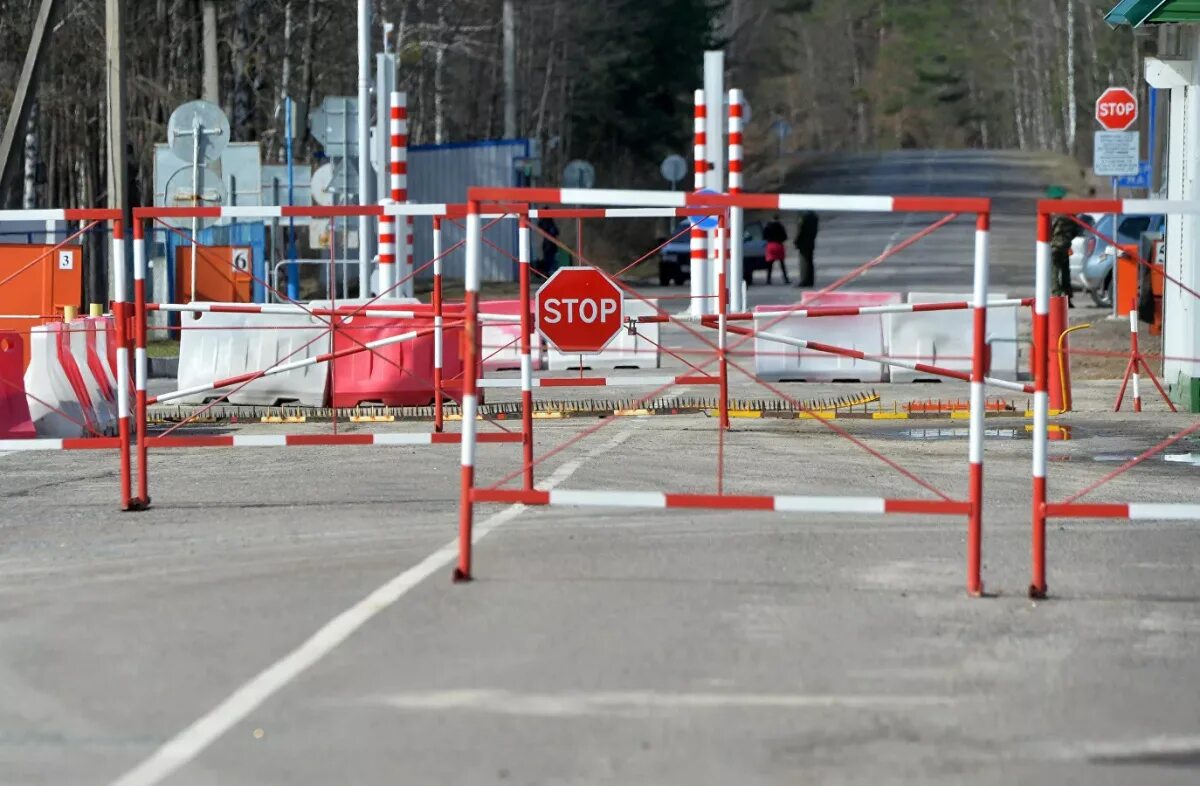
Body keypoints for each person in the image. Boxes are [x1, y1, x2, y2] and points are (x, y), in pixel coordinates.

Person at [1046, 186, 1079, 307]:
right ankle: (1068, 299)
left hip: (1054, 247)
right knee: (1065, 273)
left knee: (1054, 273)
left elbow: (1046, 231)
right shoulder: (1068, 213)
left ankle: (1056, 297)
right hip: (1066, 247)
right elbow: (1076, 230)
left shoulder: (1052, 214)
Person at [762, 214, 790, 284]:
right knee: (782, 263)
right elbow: (785, 237)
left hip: (770, 245)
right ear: (778, 219)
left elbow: (764, 236)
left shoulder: (767, 226)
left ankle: (768, 280)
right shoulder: (780, 226)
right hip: (779, 245)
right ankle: (785, 279)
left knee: (769, 264)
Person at [794, 210, 819, 288]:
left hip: (803, 242)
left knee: (804, 263)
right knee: (810, 262)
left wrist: (796, 240)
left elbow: (800, 230)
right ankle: (810, 280)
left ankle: (804, 280)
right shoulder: (815, 217)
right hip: (811, 241)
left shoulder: (804, 217)